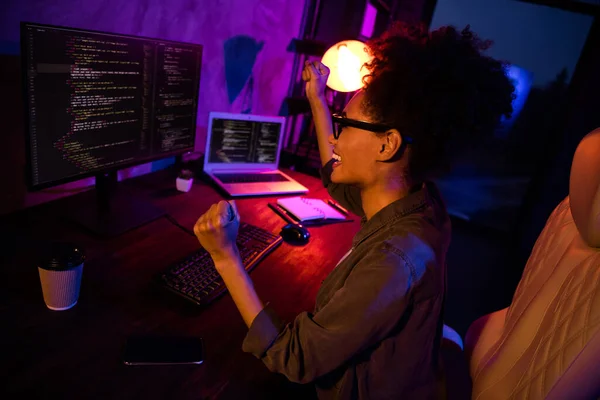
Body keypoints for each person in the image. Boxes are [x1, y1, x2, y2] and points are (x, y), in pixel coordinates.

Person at [194, 22, 515, 399]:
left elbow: (294, 358)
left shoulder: (393, 261)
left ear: (386, 146)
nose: (334, 136)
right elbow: (337, 182)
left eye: (344, 124)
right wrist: (316, 100)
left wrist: (226, 256)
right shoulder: (420, 204)